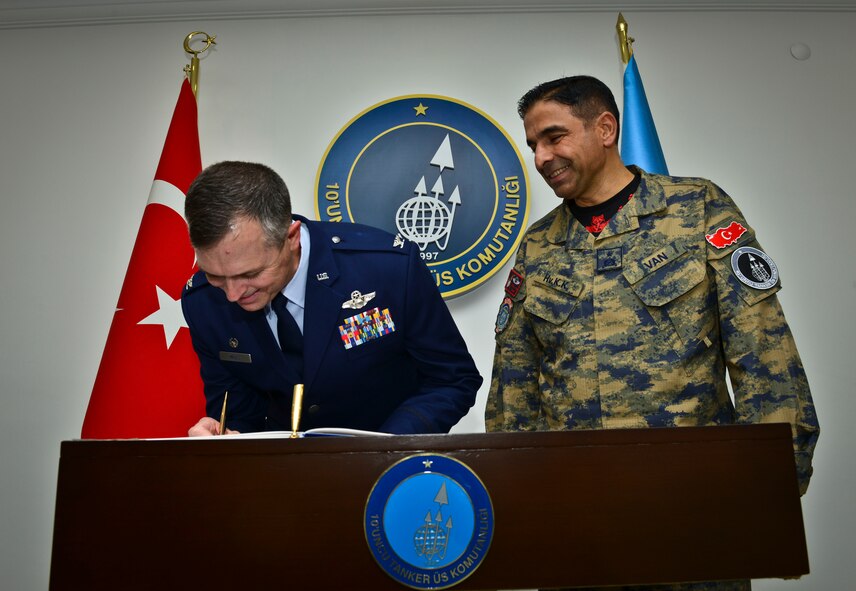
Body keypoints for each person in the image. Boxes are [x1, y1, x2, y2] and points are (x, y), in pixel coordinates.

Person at [486, 76, 819, 591]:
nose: (541, 157)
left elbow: (765, 357)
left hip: (693, 511)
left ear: (606, 128)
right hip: (576, 522)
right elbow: (514, 391)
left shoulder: (698, 209)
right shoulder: (538, 246)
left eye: (554, 136)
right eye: (533, 144)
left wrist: (772, 499)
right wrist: (519, 509)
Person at [181, 161, 481, 436]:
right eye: (216, 276)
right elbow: (239, 410)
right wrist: (226, 435)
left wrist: (384, 446)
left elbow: (452, 379)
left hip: (389, 466)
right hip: (283, 476)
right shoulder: (203, 302)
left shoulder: (387, 268)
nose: (232, 294)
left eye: (250, 273)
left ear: (291, 238)